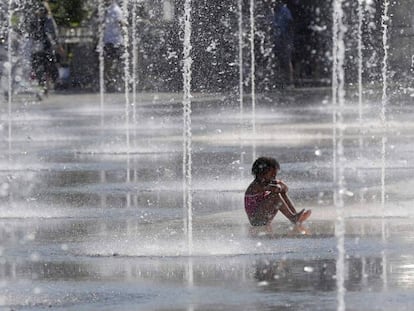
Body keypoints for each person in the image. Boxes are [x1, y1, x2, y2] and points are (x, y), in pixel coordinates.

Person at [245, 156, 311, 227]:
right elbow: (274, 189)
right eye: (271, 175)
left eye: (275, 175)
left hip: (264, 217)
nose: (274, 177)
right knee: (274, 196)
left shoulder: (267, 182)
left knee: (281, 193)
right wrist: (279, 186)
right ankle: (292, 218)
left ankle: (294, 215)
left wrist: (281, 187)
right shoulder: (256, 185)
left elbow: (285, 189)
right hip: (256, 220)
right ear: (261, 174)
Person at [27, 1, 64, 95]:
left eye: (42, 9)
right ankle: (42, 85)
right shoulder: (33, 20)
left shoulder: (48, 19)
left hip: (47, 45)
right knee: (38, 67)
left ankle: (50, 84)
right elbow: (30, 34)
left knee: (49, 65)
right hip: (36, 47)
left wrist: (58, 45)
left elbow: (54, 33)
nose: (39, 11)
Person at [103, 0, 126, 92]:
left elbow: (121, 23)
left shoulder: (115, 10)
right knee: (111, 64)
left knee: (112, 64)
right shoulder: (111, 9)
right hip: (111, 41)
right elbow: (121, 23)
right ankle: (112, 83)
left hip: (113, 42)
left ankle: (114, 83)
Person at [272, 0, 294, 87]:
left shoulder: (284, 10)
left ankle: (290, 81)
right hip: (277, 40)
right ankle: (280, 81)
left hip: (285, 39)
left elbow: (290, 25)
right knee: (278, 60)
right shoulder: (273, 11)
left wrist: (290, 41)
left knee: (287, 61)